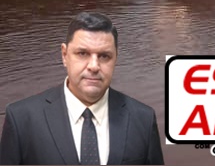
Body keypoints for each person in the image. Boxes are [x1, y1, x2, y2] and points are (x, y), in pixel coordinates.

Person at [0, 12, 164, 165]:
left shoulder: (143, 119)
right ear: (64, 55)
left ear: (115, 58)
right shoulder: (21, 119)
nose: (94, 66)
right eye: (82, 53)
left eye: (104, 56)